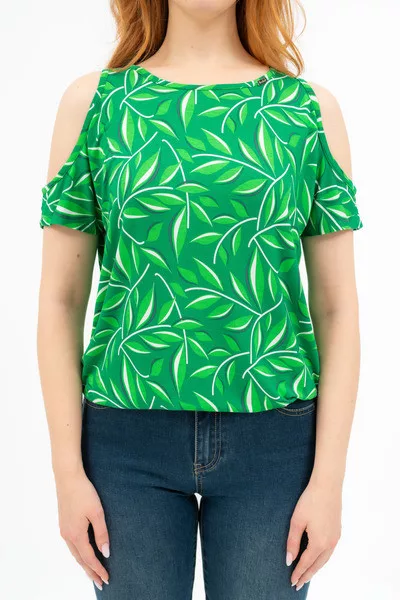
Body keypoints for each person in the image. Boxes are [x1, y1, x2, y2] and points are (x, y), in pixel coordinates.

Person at [37, 0, 363, 598]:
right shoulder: (96, 106)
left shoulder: (308, 112)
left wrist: (329, 482)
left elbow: (337, 310)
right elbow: (60, 301)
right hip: (125, 443)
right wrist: (66, 473)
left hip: (274, 444)